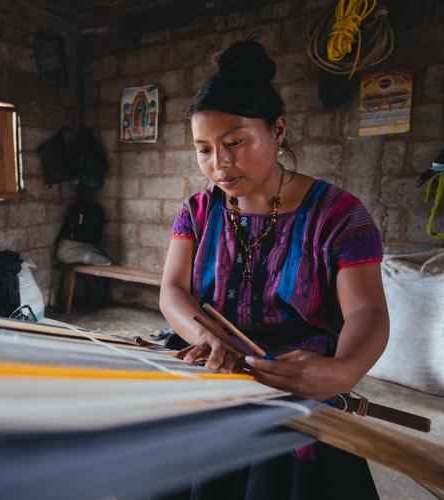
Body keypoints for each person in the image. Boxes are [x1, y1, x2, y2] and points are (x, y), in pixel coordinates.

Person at [158, 39, 390, 500]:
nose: (218, 164)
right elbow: (172, 290)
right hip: (214, 370)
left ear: (278, 131)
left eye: (234, 143)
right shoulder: (198, 211)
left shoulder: (339, 215)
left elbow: (366, 312)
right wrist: (205, 337)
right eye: (203, 150)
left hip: (295, 381)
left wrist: (341, 372)